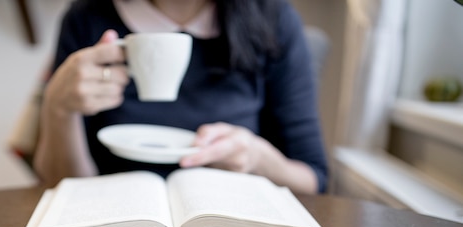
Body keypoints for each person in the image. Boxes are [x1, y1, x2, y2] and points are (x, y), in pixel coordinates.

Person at [33, 0, 329, 194]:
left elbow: (314, 180)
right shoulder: (87, 18)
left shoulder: (273, 18)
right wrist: (58, 108)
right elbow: (61, 187)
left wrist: (257, 157)